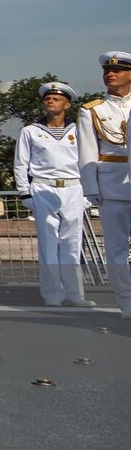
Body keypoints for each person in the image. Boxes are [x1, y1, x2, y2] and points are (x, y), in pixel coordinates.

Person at [15, 82, 92, 307]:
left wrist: (89, 191)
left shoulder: (79, 130)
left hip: (73, 187)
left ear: (67, 104)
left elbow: (87, 160)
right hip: (43, 187)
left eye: (56, 99)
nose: (50, 101)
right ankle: (52, 294)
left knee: (72, 242)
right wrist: (24, 193)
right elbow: (21, 164)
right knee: (48, 242)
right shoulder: (31, 131)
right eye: (47, 98)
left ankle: (75, 294)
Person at [77, 51, 131, 318]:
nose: (111, 74)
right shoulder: (93, 110)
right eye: (107, 71)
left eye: (119, 70)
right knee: (117, 247)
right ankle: (126, 299)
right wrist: (91, 188)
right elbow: (87, 152)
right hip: (112, 183)